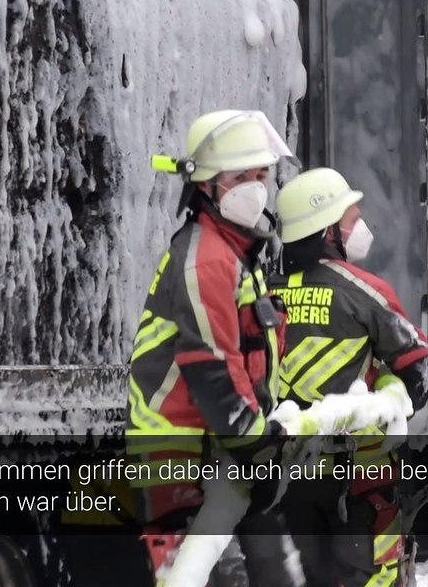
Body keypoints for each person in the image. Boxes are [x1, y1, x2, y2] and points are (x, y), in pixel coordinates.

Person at [127, 109, 302, 587]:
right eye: (241, 176)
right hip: (179, 461)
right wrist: (258, 447)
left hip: (223, 456)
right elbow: (214, 370)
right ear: (207, 185)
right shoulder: (206, 258)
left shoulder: (239, 255)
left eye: (262, 175)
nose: (256, 186)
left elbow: (253, 365)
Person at [270, 167, 428, 587]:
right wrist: (389, 390)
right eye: (351, 217)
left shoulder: (259, 294)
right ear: (327, 231)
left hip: (282, 482)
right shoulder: (365, 291)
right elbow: (418, 373)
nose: (361, 225)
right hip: (358, 481)